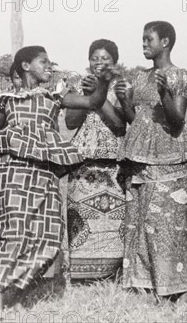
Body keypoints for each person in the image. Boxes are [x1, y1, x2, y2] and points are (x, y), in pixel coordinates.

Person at [0, 45, 114, 312]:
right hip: (13, 172)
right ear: (26, 66)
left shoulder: (56, 96)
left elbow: (92, 103)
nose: (49, 66)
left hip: (46, 174)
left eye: (50, 62)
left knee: (50, 241)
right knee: (14, 236)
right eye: (43, 61)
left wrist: (104, 82)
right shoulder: (6, 98)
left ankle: (15, 291)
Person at [116, 21, 187, 302]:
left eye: (149, 39)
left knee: (167, 225)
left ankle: (177, 289)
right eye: (143, 39)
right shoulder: (140, 78)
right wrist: (124, 100)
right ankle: (143, 284)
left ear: (166, 42)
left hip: (169, 159)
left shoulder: (180, 76)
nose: (144, 44)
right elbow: (135, 120)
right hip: (140, 160)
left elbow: (176, 123)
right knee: (140, 222)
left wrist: (165, 95)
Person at [63, 39, 128, 280]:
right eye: (95, 58)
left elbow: (120, 124)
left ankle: (112, 272)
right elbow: (70, 122)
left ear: (115, 61)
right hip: (83, 161)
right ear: (88, 61)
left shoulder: (122, 85)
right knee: (81, 216)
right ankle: (82, 274)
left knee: (113, 219)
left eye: (105, 59)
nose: (99, 63)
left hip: (113, 163)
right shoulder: (78, 84)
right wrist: (88, 95)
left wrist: (99, 97)